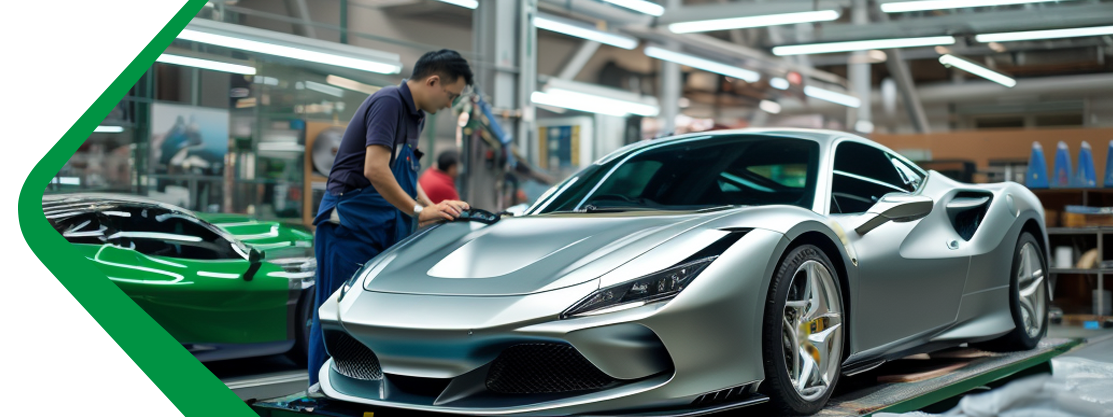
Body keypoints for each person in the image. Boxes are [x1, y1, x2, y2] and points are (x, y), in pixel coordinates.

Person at [308, 49, 473, 386]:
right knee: (335, 314)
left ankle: (358, 389)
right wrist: (418, 210)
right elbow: (376, 170)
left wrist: (437, 207)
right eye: (450, 95)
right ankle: (320, 389)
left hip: (381, 224)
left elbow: (406, 177)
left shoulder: (416, 115)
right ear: (433, 81)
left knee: (367, 315)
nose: (449, 105)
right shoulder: (388, 103)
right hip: (349, 224)